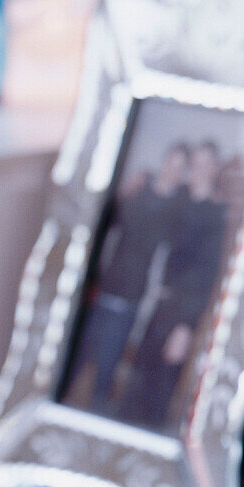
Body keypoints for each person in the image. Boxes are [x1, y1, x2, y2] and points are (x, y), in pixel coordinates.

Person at [66, 142, 190, 414]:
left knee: (107, 368)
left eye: (181, 167)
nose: (173, 170)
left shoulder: (178, 207)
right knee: (75, 358)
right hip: (102, 286)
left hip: (132, 296)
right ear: (165, 159)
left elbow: (177, 250)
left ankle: (94, 419)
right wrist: (122, 193)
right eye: (172, 161)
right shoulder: (140, 186)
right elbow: (103, 222)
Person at [123, 141, 227, 430]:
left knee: (159, 392)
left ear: (215, 168)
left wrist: (185, 327)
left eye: (207, 164)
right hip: (155, 305)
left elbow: (206, 277)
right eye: (195, 164)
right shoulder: (181, 198)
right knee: (135, 384)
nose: (199, 170)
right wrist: (139, 184)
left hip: (180, 313)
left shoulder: (216, 214)